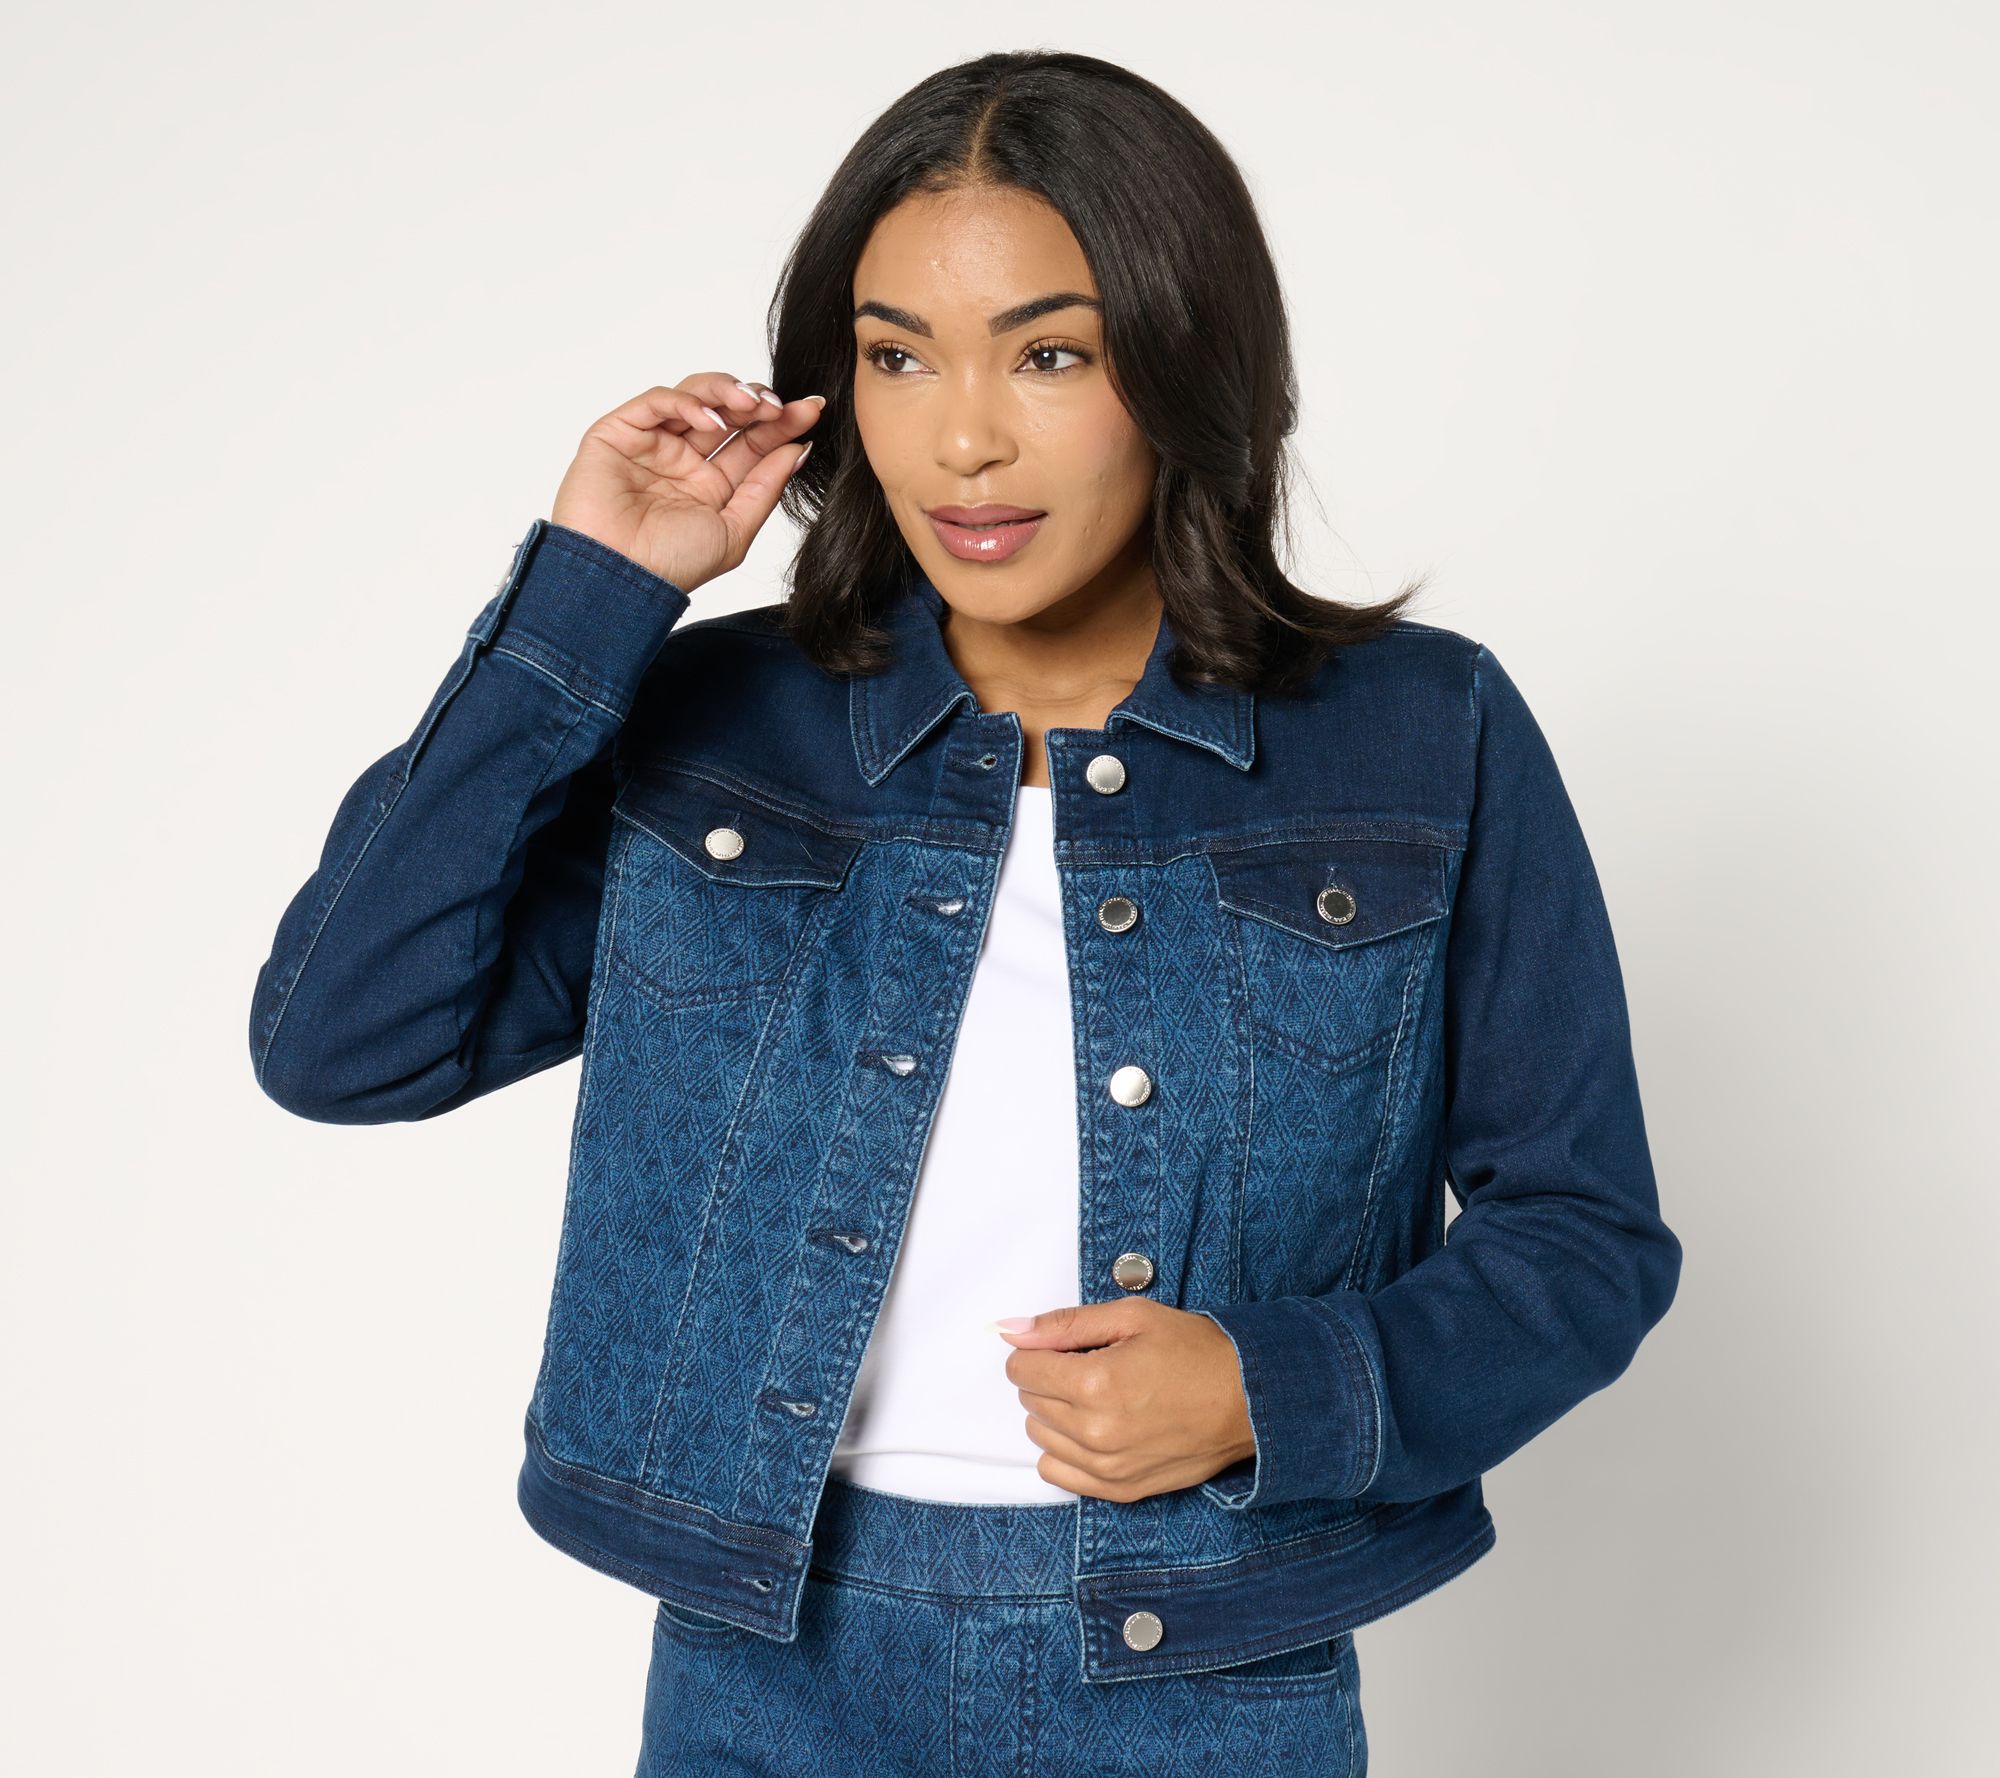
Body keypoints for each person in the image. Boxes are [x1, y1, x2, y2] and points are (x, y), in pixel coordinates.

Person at [247, 48, 1681, 1778]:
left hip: (1208, 1675)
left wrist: (1272, 1386)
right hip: (766, 1670)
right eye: (897, 356)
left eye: (1049, 353)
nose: (964, 437)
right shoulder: (717, 727)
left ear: (1187, 364)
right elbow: (344, 1040)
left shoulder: (1419, 735)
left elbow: (1584, 1234)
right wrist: (587, 598)